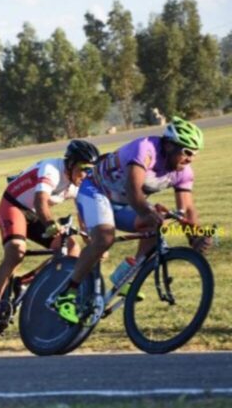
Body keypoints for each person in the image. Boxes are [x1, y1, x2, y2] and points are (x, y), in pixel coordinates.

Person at [55, 117, 212, 324]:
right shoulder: (145, 149)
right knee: (104, 239)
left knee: (155, 226)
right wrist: (147, 212)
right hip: (96, 190)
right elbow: (133, 189)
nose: (190, 158)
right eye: (187, 152)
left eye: (194, 154)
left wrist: (194, 236)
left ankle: (127, 273)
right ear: (170, 145)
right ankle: (66, 294)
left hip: (122, 201)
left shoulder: (183, 172)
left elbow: (187, 208)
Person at [0, 140, 100, 331]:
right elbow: (40, 203)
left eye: (90, 170)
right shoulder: (51, 169)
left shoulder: (78, 183)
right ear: (70, 164)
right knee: (16, 252)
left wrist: (91, 238)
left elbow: (83, 212)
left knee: (72, 249)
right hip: (14, 207)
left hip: (36, 214)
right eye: (83, 169)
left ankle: (24, 282)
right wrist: (51, 225)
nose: (86, 175)